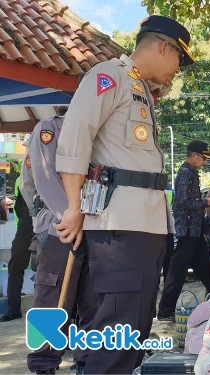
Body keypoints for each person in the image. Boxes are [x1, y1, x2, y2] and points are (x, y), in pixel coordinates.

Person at [54, 15, 195, 374]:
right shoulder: (108, 76)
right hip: (119, 227)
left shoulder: (140, 89)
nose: (179, 69)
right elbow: (75, 140)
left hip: (144, 226)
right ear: (164, 46)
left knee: (134, 329)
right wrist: (74, 208)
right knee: (117, 330)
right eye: (180, 58)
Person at [26, 107, 99, 375]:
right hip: (61, 228)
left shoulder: (101, 130)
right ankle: (44, 367)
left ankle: (87, 363)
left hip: (95, 226)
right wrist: (68, 217)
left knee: (93, 301)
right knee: (53, 300)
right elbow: (39, 181)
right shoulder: (51, 128)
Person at [157, 140, 210, 321]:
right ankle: (164, 312)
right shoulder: (185, 173)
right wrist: (207, 202)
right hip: (186, 231)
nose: (205, 162)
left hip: (195, 231)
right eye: (203, 158)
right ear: (193, 156)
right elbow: (181, 202)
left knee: (206, 269)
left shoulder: (192, 173)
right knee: (177, 274)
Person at [0, 164, 35, 322]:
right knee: (15, 266)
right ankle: (13, 311)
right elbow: (19, 207)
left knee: (47, 268)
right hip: (26, 225)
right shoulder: (21, 179)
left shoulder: (49, 173)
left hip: (47, 221)